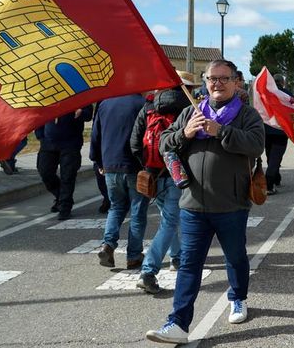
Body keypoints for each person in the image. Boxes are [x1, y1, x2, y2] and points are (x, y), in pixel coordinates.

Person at [146, 59, 265, 345]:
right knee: (189, 265)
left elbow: (255, 144)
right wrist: (185, 133)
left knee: (235, 257)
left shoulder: (246, 115)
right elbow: (164, 143)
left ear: (236, 82)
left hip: (231, 205)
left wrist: (220, 131)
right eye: (212, 78)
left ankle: (237, 298)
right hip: (193, 205)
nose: (217, 84)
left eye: (224, 79)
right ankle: (178, 323)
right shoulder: (190, 112)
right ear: (205, 81)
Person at [130, 71, 197, 294]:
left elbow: (135, 143)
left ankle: (177, 257)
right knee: (169, 222)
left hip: (152, 174)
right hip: (177, 174)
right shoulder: (189, 109)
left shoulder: (148, 107)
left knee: (168, 220)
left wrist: (149, 166)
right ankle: (148, 272)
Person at [91, 93, 149, 269]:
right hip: (136, 165)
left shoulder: (104, 102)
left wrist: (98, 161)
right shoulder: (143, 103)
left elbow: (96, 134)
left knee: (116, 207)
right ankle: (133, 255)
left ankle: (107, 244)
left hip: (110, 164)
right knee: (138, 211)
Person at [36, 106, 93, 220]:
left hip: (70, 143)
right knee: (45, 172)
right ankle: (60, 197)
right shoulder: (48, 94)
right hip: (48, 143)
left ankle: (65, 206)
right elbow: (39, 115)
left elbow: (88, 115)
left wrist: (81, 112)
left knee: (68, 175)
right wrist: (40, 135)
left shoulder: (78, 93)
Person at [264, 74, 292, 195]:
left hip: (266, 129)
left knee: (270, 156)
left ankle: (276, 178)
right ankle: (269, 184)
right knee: (275, 157)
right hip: (280, 131)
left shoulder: (265, 93)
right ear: (282, 82)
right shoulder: (286, 93)